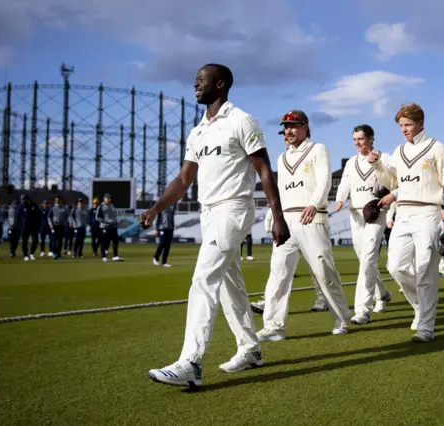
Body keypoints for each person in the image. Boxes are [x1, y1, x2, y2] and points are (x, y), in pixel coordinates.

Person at [141, 63, 290, 388]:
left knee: (204, 278)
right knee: (228, 282)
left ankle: (190, 362)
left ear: (220, 84)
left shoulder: (241, 120)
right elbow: (183, 180)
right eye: (195, 79)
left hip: (234, 208)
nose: (195, 84)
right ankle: (250, 349)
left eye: (201, 80)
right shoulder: (199, 131)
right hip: (210, 213)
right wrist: (156, 207)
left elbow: (264, 168)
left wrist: (278, 216)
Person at [367, 103, 444, 342]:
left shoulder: (437, 148)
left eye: (408, 125)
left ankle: (426, 327)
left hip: (429, 213)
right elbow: (392, 182)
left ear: (421, 123)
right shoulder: (399, 151)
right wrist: (378, 165)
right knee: (395, 267)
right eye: (401, 125)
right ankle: (420, 307)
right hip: (404, 214)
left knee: (425, 270)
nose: (404, 129)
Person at [256, 109, 352, 342]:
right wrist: (273, 213)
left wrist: (313, 203)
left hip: (312, 218)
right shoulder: (282, 157)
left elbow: (324, 181)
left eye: (293, 126)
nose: (288, 131)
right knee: (278, 274)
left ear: (305, 127)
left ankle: (342, 318)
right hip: (287, 222)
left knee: (323, 270)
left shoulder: (318, 149)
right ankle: (273, 326)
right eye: (285, 127)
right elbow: (279, 190)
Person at [334, 124, 392, 324]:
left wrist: (378, 165)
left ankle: (362, 310)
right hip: (355, 214)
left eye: (361, 139)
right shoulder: (351, 162)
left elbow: (395, 181)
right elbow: (345, 183)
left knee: (368, 258)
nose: (357, 143)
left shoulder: (385, 157)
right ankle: (383, 293)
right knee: (365, 260)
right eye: (354, 139)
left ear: (371, 138)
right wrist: (340, 198)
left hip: (376, 213)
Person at [97, 193, 123, 262]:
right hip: (104, 227)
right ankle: (104, 256)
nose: (109, 199)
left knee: (115, 241)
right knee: (104, 242)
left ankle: (115, 256)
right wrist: (106, 222)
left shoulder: (112, 205)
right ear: (104, 198)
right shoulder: (101, 206)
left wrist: (115, 222)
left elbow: (114, 216)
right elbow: (97, 217)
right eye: (108, 198)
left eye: (110, 198)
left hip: (113, 227)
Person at [16, 193, 40, 261]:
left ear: (27, 199)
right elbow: (17, 217)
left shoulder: (33, 205)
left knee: (35, 241)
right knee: (25, 241)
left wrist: (37, 224)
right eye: (21, 199)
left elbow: (38, 214)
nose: (22, 200)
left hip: (33, 227)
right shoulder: (20, 206)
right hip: (25, 227)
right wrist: (20, 226)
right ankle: (25, 255)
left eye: (23, 199)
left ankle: (32, 254)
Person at [153, 203, 176, 267]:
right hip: (162, 228)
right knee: (162, 243)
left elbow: (172, 218)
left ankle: (164, 262)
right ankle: (155, 258)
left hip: (170, 228)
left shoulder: (172, 206)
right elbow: (156, 217)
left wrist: (173, 227)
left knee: (168, 245)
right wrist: (155, 229)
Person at [48, 195, 69, 259]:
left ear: (61, 200)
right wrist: (51, 226)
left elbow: (68, 216)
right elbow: (49, 217)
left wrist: (69, 222)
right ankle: (54, 254)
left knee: (60, 241)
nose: (57, 201)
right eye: (56, 200)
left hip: (62, 226)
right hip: (54, 226)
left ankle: (59, 254)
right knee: (54, 240)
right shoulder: (53, 208)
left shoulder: (65, 208)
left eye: (58, 200)